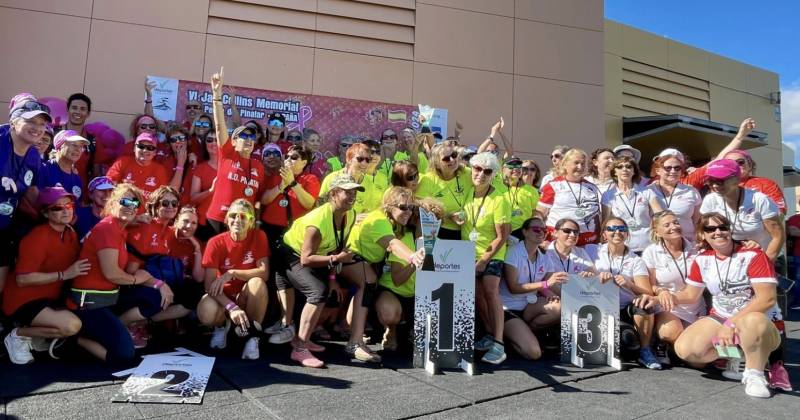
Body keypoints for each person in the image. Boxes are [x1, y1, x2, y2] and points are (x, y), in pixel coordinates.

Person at [640, 213, 783, 398]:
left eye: (723, 227)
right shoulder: (703, 259)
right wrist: (660, 298)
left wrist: (730, 324)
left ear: (730, 230)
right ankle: (738, 352)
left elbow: (767, 300)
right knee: (687, 350)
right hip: (721, 316)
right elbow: (691, 295)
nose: (718, 232)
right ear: (702, 235)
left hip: (756, 318)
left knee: (752, 321)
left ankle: (754, 374)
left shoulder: (753, 255)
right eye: (710, 229)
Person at [276, 175, 366, 367]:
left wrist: (333, 277)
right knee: (317, 291)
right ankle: (299, 348)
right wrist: (335, 260)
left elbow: (336, 248)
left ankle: (304, 337)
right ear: (333, 194)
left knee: (332, 293)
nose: (352, 196)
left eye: (354, 192)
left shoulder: (349, 214)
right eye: (347, 192)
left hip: (317, 257)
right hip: (289, 255)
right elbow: (306, 259)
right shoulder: (317, 222)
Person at [68, 184, 161, 364]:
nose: (130, 206)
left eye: (135, 203)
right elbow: (112, 273)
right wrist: (136, 279)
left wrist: (158, 284)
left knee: (153, 296)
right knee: (124, 354)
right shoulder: (107, 229)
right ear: (111, 203)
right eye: (124, 201)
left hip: (109, 298)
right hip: (90, 304)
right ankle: (73, 340)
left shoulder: (119, 228)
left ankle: (112, 327)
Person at [2, 187, 88, 364]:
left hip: (50, 298)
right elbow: (23, 279)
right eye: (57, 208)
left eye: (69, 205)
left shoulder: (70, 232)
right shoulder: (37, 237)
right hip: (23, 301)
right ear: (46, 213)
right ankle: (17, 335)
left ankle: (36, 334)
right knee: (71, 326)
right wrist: (64, 274)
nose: (65, 210)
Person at [347, 186, 425, 356]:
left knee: (370, 280)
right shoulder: (380, 220)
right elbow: (392, 244)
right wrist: (413, 257)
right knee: (368, 281)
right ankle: (355, 342)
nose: (408, 212)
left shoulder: (395, 223)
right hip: (350, 257)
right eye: (403, 207)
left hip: (367, 262)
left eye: (411, 208)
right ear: (389, 207)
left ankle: (354, 333)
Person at [260, 145, 320, 345]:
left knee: (290, 276)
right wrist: (281, 185)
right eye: (288, 156)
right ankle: (281, 319)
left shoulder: (310, 179)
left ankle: (290, 323)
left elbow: (309, 203)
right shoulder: (276, 176)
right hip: (271, 232)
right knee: (276, 277)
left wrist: (293, 183)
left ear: (304, 162)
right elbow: (264, 199)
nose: (289, 160)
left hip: (293, 234)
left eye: (295, 157)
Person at [198, 199, 269, 360]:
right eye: (233, 215)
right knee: (206, 312)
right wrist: (231, 307)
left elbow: (264, 273)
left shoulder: (258, 236)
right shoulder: (215, 242)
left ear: (251, 221)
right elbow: (209, 285)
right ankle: (222, 325)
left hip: (245, 296)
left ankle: (252, 336)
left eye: (243, 216)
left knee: (257, 283)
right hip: (222, 298)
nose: (237, 220)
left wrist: (232, 273)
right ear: (226, 219)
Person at [120, 186, 191, 348]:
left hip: (150, 281)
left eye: (174, 204)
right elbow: (131, 272)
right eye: (165, 203)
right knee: (157, 297)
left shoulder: (168, 231)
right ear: (155, 205)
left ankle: (141, 322)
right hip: (131, 285)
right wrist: (160, 285)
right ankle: (120, 325)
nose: (170, 207)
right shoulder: (145, 226)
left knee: (190, 296)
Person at [587, 217, 660, 369]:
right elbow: (580, 273)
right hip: (599, 307)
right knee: (624, 342)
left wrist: (629, 283)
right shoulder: (591, 250)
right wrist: (593, 276)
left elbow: (647, 291)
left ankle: (645, 350)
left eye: (622, 229)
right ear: (604, 234)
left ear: (627, 234)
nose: (617, 232)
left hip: (625, 307)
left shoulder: (635, 260)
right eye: (611, 229)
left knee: (645, 303)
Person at [462, 152, 512, 364]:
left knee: (491, 292)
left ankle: (499, 345)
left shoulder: (499, 199)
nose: (481, 174)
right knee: (477, 296)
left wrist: (483, 260)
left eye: (487, 171)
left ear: (494, 175)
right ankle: (490, 334)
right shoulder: (466, 192)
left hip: (491, 255)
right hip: (467, 255)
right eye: (477, 169)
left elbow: (503, 236)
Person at [376, 197, 443, 351]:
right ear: (416, 219)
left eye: (436, 219)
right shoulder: (403, 239)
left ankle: (413, 329)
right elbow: (397, 280)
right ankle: (391, 329)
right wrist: (416, 261)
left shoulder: (441, 244)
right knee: (390, 315)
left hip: (420, 297)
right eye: (426, 219)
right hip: (394, 291)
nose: (431, 223)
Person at [0, 97, 51, 293]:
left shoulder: (33, 155)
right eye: (30, 121)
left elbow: (31, 191)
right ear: (13, 121)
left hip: (5, 226)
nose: (37, 128)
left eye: (41, 123)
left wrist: (54, 207)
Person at [206, 68, 266, 234]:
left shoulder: (258, 166)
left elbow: (257, 199)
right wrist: (216, 96)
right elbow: (219, 127)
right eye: (243, 136)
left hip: (242, 224)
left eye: (252, 137)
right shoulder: (228, 154)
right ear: (233, 141)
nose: (248, 139)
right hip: (218, 219)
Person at [640, 210, 704, 365]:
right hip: (667, 305)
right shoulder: (651, 252)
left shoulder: (697, 249)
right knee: (671, 332)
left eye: (676, 222)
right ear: (657, 232)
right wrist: (661, 291)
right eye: (667, 225)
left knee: (700, 363)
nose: (674, 227)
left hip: (694, 304)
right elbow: (651, 284)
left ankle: (679, 351)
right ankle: (665, 343)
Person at [501, 217, 566, 360]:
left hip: (529, 305)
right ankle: (512, 337)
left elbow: (551, 284)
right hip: (509, 309)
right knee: (534, 353)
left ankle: (527, 332)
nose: (541, 233)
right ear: (524, 232)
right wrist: (545, 285)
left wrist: (575, 299)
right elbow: (514, 288)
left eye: (544, 230)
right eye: (536, 229)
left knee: (561, 307)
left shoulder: (544, 255)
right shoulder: (513, 252)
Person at [699, 159, 784, 262]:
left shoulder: (759, 199)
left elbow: (778, 236)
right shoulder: (710, 200)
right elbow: (704, 231)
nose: (715, 186)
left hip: (765, 254)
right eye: (710, 181)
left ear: (736, 180)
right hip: (732, 259)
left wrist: (767, 264)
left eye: (720, 181)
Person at [537, 148, 602, 245]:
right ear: (565, 164)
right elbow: (539, 214)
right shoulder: (552, 186)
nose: (580, 167)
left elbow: (596, 218)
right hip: (557, 242)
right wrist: (541, 238)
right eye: (576, 163)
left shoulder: (593, 188)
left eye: (583, 164)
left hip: (586, 243)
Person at [416, 141, 473, 239]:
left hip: (468, 230)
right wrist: (447, 216)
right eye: (446, 159)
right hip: (439, 231)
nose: (452, 160)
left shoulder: (467, 173)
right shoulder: (428, 180)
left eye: (454, 155)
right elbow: (421, 211)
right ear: (437, 164)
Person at [647, 149, 702, 242]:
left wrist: (699, 241)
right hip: (657, 246)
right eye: (668, 168)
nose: (673, 171)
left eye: (677, 168)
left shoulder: (691, 192)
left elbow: (697, 222)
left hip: (688, 246)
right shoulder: (647, 191)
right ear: (658, 170)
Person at [601, 156, 652, 254]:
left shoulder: (647, 191)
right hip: (623, 247)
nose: (624, 169)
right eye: (620, 167)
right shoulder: (608, 195)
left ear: (634, 171)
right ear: (614, 172)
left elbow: (658, 217)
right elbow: (605, 223)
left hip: (647, 247)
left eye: (628, 166)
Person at [319, 143, 384, 217]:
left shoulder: (369, 184)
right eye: (360, 159)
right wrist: (351, 218)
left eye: (368, 160)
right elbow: (320, 207)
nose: (364, 163)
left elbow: (365, 211)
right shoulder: (332, 178)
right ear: (349, 159)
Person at [106, 132, 177, 199]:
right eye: (141, 146)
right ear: (134, 148)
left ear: (155, 152)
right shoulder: (122, 162)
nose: (145, 150)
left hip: (147, 211)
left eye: (150, 148)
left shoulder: (160, 170)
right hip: (122, 208)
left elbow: (162, 195)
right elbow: (109, 184)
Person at [38, 130, 89, 201]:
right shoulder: (43, 169)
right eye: (73, 145)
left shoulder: (77, 179)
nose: (78, 149)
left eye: (81, 146)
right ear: (59, 146)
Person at [189, 129, 219, 241]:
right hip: (205, 221)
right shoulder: (200, 168)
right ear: (205, 144)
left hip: (227, 220)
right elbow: (193, 199)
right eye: (209, 140)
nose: (214, 143)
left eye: (217, 140)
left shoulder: (231, 167)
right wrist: (211, 190)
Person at [500, 156, 539, 240]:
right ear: (503, 169)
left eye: (518, 166)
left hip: (523, 232)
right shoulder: (497, 186)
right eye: (511, 166)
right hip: (500, 230)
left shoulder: (532, 190)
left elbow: (534, 213)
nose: (515, 169)